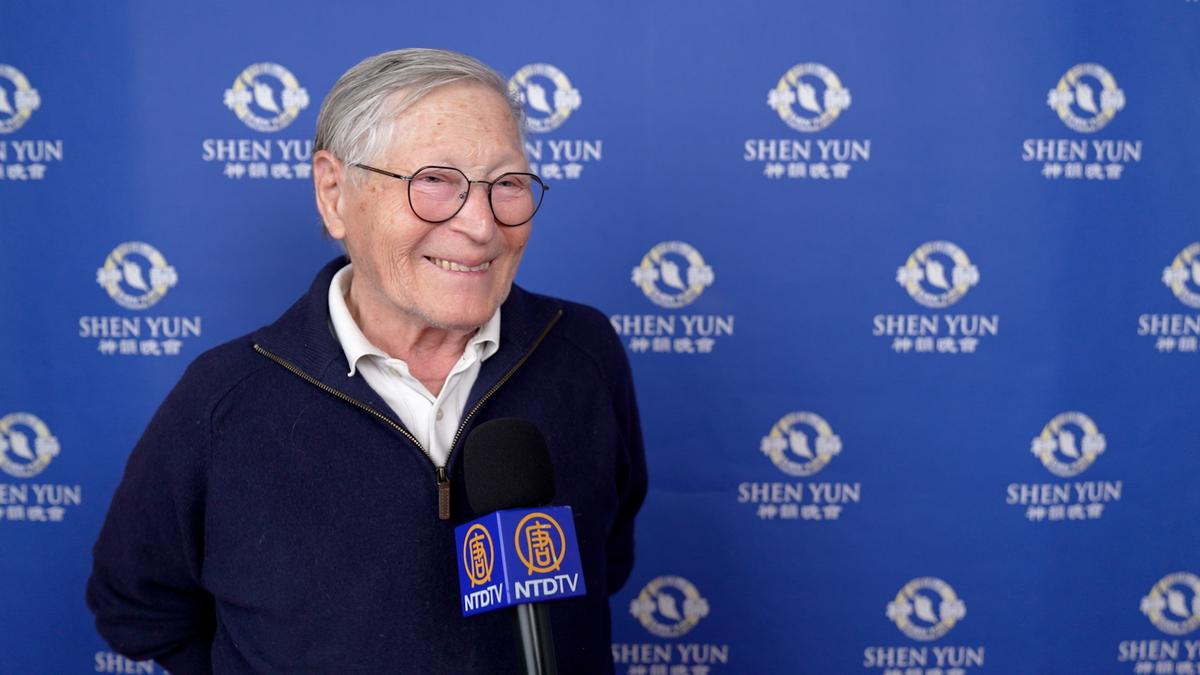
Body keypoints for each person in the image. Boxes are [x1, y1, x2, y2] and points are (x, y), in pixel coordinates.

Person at [87, 48, 647, 674]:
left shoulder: (581, 352)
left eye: (507, 185)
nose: (482, 225)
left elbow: (607, 559)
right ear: (334, 193)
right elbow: (137, 607)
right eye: (434, 181)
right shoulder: (224, 400)